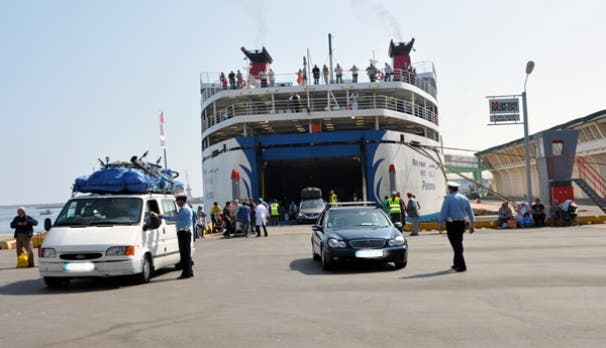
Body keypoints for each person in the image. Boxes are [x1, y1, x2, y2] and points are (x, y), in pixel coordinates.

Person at [153, 194, 194, 279]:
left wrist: (162, 216)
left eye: (177, 201)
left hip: (184, 233)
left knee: (185, 254)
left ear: (182, 201)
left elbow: (175, 218)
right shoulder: (186, 208)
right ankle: (189, 271)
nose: (177, 202)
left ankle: (186, 273)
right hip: (185, 232)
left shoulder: (184, 209)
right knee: (186, 253)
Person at [439, 182, 475, 272]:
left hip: (452, 224)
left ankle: (462, 266)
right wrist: (472, 225)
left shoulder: (448, 199)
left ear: (450, 189)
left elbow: (443, 212)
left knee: (456, 245)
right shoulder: (465, 199)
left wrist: (441, 224)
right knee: (458, 243)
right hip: (461, 224)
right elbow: (471, 213)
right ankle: (456, 264)